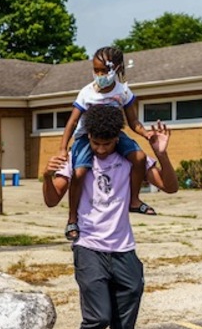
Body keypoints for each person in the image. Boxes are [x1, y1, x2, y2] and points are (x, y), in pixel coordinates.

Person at [43, 103, 178, 329]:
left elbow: (169, 187)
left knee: (123, 324)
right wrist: (47, 176)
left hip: (124, 250)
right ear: (88, 136)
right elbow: (52, 200)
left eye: (107, 143)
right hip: (88, 246)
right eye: (95, 142)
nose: (101, 149)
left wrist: (163, 153)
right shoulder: (79, 156)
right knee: (98, 316)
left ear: (118, 136)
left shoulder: (131, 159)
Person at [58, 46, 155, 242]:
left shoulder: (123, 92)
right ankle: (72, 218)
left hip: (113, 135)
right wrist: (62, 148)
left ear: (117, 68)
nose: (100, 75)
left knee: (140, 158)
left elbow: (133, 122)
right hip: (87, 136)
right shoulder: (87, 93)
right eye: (96, 70)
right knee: (79, 173)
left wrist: (146, 133)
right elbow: (73, 122)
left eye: (104, 71)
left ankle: (134, 200)